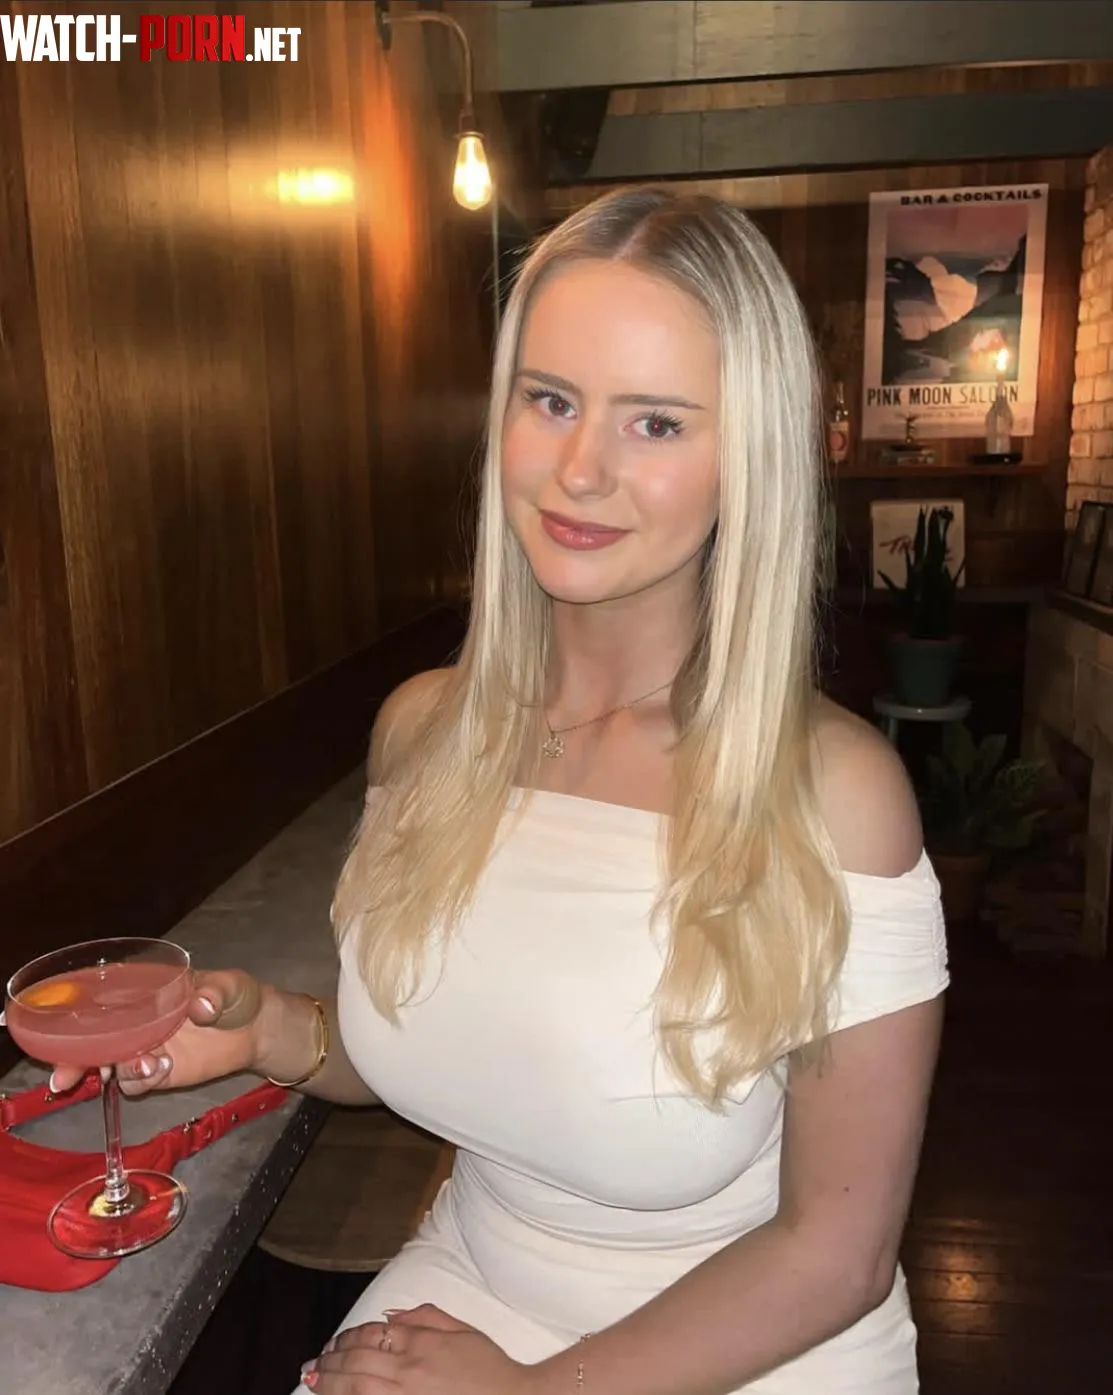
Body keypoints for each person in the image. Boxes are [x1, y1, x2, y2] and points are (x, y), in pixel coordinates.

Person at [52, 186, 947, 1394]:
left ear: (754, 459)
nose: (581, 471)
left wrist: (529, 1392)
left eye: (657, 423)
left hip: (749, 1343)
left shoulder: (836, 796)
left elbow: (836, 1255)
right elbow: (455, 1044)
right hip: (464, 1290)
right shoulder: (426, 733)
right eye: (552, 400)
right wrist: (269, 1031)